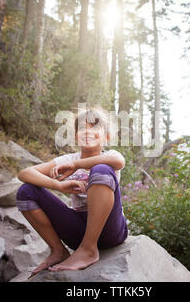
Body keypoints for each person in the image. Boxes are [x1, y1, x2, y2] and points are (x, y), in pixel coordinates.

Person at [16, 107, 128, 277]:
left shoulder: (110, 155)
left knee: (101, 169)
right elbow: (24, 174)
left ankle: (89, 249)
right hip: (78, 231)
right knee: (26, 191)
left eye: (94, 127)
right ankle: (58, 251)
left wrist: (77, 165)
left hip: (110, 229)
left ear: (106, 137)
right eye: (82, 128)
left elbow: (118, 161)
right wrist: (58, 185)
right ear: (76, 135)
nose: (87, 132)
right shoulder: (67, 160)